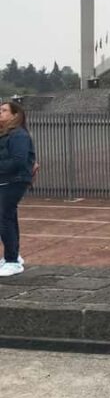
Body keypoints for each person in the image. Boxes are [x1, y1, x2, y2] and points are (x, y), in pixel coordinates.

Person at [0, 101, 37, 277]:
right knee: (8, 217)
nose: (0, 113)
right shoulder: (6, 134)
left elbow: (18, 160)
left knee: (4, 218)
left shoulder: (18, 135)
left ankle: (12, 261)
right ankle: (13, 256)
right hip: (6, 180)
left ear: (15, 115)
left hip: (13, 181)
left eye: (3, 110)